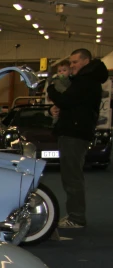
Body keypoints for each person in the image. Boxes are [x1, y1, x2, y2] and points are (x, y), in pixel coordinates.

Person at [47, 48, 108, 229]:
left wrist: (51, 89)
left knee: (72, 177)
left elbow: (66, 101)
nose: (71, 66)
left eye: (74, 62)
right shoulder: (86, 81)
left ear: (86, 61)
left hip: (74, 134)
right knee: (71, 176)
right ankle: (75, 215)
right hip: (74, 132)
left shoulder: (86, 81)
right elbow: (69, 104)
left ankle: (76, 217)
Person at [49, 59, 70, 126]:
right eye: (59, 71)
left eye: (64, 70)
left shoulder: (72, 81)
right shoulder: (57, 81)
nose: (61, 72)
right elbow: (61, 89)